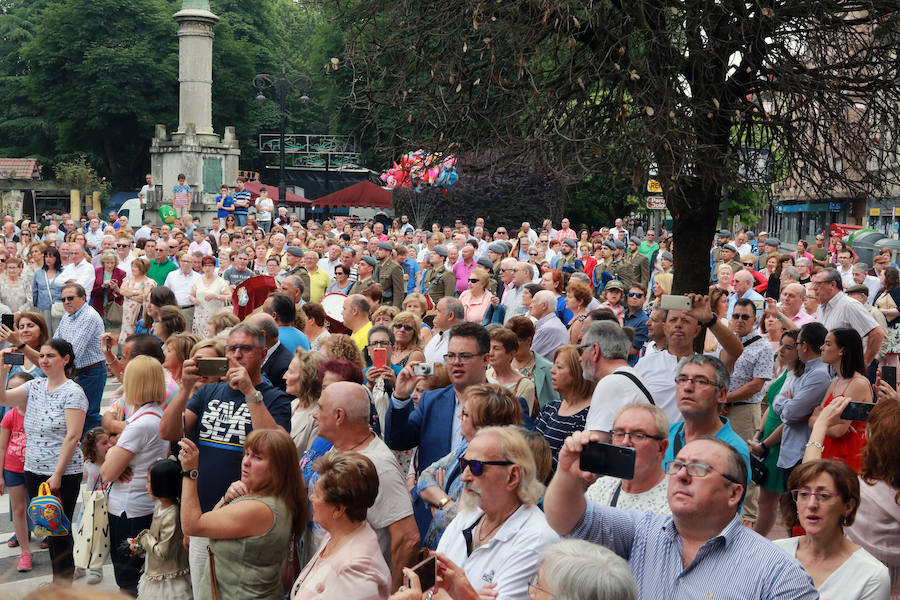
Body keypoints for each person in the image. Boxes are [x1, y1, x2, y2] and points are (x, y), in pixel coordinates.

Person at [544, 432, 818, 599]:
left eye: (699, 469)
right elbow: (568, 520)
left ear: (734, 493)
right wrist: (568, 473)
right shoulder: (643, 530)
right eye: (677, 466)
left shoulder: (777, 572)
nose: (683, 475)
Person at [158, 323, 293, 592]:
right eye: (232, 348)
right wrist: (185, 388)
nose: (238, 355)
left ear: (263, 354)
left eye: (246, 348)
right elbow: (168, 431)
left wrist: (250, 394)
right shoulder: (208, 392)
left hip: (247, 518)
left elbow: (274, 445)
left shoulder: (275, 399)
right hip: (204, 516)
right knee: (204, 592)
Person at [386, 321, 491, 535]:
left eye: (465, 356)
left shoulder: (506, 406)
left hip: (481, 522)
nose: (456, 363)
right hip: (430, 518)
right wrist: (400, 397)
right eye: (451, 356)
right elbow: (398, 440)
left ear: (486, 360)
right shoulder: (432, 400)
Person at [312, 381, 420, 588]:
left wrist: (394, 594)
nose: (314, 414)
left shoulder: (378, 465)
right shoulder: (340, 448)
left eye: (320, 408)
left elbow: (408, 538)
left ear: (339, 416)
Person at [178, 428, 306, 600]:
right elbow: (210, 522)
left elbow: (192, 525)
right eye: (246, 454)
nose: (246, 462)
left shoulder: (259, 509)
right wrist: (226, 498)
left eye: (257, 457)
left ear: (279, 468)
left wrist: (190, 472)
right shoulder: (271, 500)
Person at [435, 426, 560, 598]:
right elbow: (431, 587)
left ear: (513, 476)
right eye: (464, 464)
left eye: (476, 467)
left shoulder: (537, 538)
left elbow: (435, 591)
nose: (464, 476)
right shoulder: (470, 515)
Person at [0, 339, 86, 584]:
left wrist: (57, 474)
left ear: (65, 359)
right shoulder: (34, 386)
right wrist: (3, 371)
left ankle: (63, 585)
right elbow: (4, 399)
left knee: (59, 529)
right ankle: (60, 580)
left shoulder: (73, 392)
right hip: (33, 468)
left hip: (63, 471)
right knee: (46, 527)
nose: (45, 360)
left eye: (51, 356)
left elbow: (72, 436)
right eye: (43, 355)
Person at [415, 383, 523, 550]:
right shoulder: (464, 447)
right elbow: (424, 478)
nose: (459, 416)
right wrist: (446, 502)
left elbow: (462, 523)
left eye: (465, 414)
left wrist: (437, 504)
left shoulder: (497, 467)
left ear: (483, 424)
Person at [100, 356, 170, 596]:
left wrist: (111, 456)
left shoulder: (140, 424)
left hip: (128, 507)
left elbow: (108, 471)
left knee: (128, 580)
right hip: (144, 503)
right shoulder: (155, 415)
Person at [775, 458, 890, 599]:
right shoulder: (774, 553)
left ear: (848, 506)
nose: (812, 504)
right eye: (804, 494)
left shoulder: (872, 575)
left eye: (824, 496)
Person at [291, 452, 391, 599]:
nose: (311, 498)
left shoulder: (355, 572)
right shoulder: (336, 535)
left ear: (338, 509)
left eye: (317, 495)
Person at [635, 293, 743, 422]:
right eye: (673, 320)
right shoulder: (645, 364)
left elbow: (735, 351)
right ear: (665, 328)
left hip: (694, 440)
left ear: (697, 331)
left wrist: (711, 320)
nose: (678, 325)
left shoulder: (708, 366)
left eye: (685, 321)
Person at [724, 297, 774, 524]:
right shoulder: (725, 342)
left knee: (744, 465)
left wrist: (725, 398)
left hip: (744, 410)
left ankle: (747, 519)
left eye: (745, 317)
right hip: (721, 409)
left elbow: (757, 384)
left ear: (755, 319)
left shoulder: (762, 346)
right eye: (736, 316)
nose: (740, 321)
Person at [749, 329, 803, 537]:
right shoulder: (785, 371)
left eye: (789, 347)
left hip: (780, 444)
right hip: (768, 441)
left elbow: (789, 419)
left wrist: (765, 444)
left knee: (781, 502)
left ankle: (757, 544)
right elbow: (772, 407)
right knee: (767, 500)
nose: (782, 350)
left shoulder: (799, 376)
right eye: (782, 344)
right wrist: (758, 433)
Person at [772, 322, 833, 485]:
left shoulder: (819, 375)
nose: (796, 348)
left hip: (801, 454)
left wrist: (789, 405)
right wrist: (789, 403)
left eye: (796, 344)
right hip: (792, 451)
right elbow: (777, 403)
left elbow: (790, 413)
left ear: (804, 346)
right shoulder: (805, 370)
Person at [585, 403, 671, 515]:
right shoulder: (602, 487)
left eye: (638, 436)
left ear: (661, 448)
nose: (625, 442)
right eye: (619, 434)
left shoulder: (676, 498)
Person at [132, 458, 192, 600]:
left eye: (149, 481)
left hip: (168, 580)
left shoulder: (172, 515)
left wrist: (145, 537)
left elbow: (163, 551)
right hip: (154, 572)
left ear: (162, 485)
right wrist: (139, 546)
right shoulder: (159, 507)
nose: (146, 486)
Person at [582, 321, 654, 439]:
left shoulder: (612, 383)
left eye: (582, 350)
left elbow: (595, 446)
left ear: (595, 350)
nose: (580, 358)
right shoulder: (627, 377)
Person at [815, 328, 873, 472]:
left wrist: (818, 421)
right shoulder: (836, 383)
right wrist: (821, 421)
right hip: (829, 450)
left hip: (847, 457)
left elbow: (838, 430)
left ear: (842, 350)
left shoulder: (858, 383)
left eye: (828, 344)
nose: (822, 348)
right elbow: (817, 418)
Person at [54, 283, 105, 431]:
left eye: (70, 298)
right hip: (75, 371)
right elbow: (55, 342)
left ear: (83, 298)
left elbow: (75, 351)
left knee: (89, 414)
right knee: (78, 412)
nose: (66, 302)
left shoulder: (89, 316)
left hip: (91, 372)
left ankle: (101, 445)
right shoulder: (67, 316)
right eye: (63, 299)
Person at [535, 344, 593, 474]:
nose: (552, 370)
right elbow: (527, 445)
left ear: (577, 373)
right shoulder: (551, 407)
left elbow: (557, 466)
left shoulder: (585, 417)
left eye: (559, 367)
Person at [813, 268, 884, 365]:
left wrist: (864, 363)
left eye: (818, 284)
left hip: (845, 371)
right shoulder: (821, 307)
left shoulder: (849, 305)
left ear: (832, 285)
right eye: (813, 284)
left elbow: (877, 333)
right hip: (826, 370)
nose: (814, 288)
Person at [0, 372, 34, 572]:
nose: (13, 393)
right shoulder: (10, 414)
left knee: (43, 506)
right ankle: (26, 552)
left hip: (37, 468)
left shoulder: (39, 412)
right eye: (9, 389)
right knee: (19, 509)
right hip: (13, 468)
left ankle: (50, 538)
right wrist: (0, 476)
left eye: (17, 388)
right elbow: (2, 447)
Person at [485, 327, 538, 416]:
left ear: (512, 354)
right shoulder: (484, 376)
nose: (490, 353)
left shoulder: (526, 386)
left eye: (496, 348)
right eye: (489, 347)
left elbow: (521, 421)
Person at [246, 312, 293, 392]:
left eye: (248, 332)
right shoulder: (261, 354)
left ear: (262, 334)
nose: (245, 337)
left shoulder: (284, 367)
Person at [189, 255, 229, 338]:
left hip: (214, 317)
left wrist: (216, 296)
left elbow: (230, 296)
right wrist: (193, 299)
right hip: (199, 318)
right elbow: (191, 295)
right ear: (202, 267)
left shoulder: (220, 281)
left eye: (210, 266)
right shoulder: (198, 279)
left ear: (214, 267)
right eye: (205, 266)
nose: (207, 268)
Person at [422, 297, 463, 364]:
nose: (434, 313)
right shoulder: (436, 337)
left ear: (450, 316)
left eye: (438, 310)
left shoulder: (462, 342)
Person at [530, 290, 569, 360]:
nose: (530, 306)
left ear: (544, 306)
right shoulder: (551, 324)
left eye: (533, 302)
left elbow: (529, 358)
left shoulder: (547, 328)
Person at [32, 245, 64, 332]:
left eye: (51, 256)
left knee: (58, 332)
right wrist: (35, 307)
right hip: (43, 307)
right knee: (46, 332)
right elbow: (35, 291)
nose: (48, 259)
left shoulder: (63, 272)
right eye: (46, 256)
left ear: (56, 258)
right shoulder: (38, 273)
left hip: (58, 307)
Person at [90, 251, 126, 325]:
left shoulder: (121, 273)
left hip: (114, 307)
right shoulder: (96, 271)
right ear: (103, 262)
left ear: (115, 263)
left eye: (112, 263)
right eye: (107, 263)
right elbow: (92, 292)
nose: (109, 266)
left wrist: (116, 288)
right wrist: (102, 286)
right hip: (98, 305)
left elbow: (123, 294)